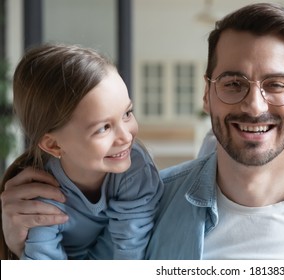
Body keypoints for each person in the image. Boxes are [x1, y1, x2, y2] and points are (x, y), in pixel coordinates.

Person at [2, 3, 284, 260]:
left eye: (276, 85)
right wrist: (11, 248)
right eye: (232, 83)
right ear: (207, 94)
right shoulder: (149, 208)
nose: (254, 104)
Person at [0, 44, 163, 259]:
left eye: (127, 113)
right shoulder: (40, 195)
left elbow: (131, 250)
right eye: (103, 127)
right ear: (53, 145)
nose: (126, 136)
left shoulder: (135, 167)